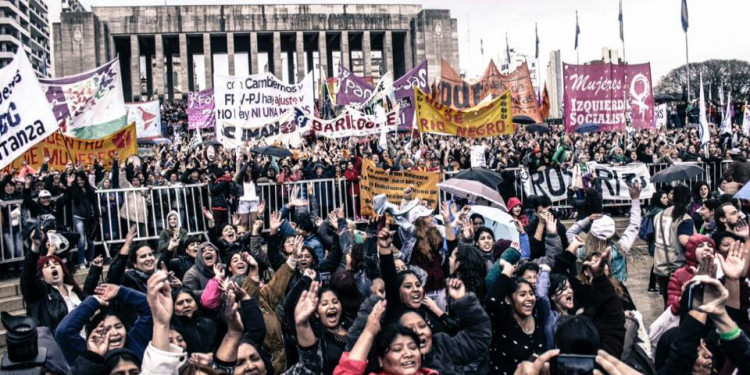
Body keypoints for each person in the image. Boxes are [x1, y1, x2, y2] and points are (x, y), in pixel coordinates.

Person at [566, 183, 641, 282]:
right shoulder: (620, 249)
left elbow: (570, 233)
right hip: (617, 293)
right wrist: (635, 199)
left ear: (592, 232)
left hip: (593, 292)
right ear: (612, 233)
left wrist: (587, 219)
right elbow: (634, 226)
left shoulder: (584, 251)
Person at [654, 184, 696, 306]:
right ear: (689, 199)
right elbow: (684, 240)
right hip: (676, 267)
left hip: (660, 266)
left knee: (667, 302)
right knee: (677, 306)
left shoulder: (660, 215)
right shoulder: (684, 219)